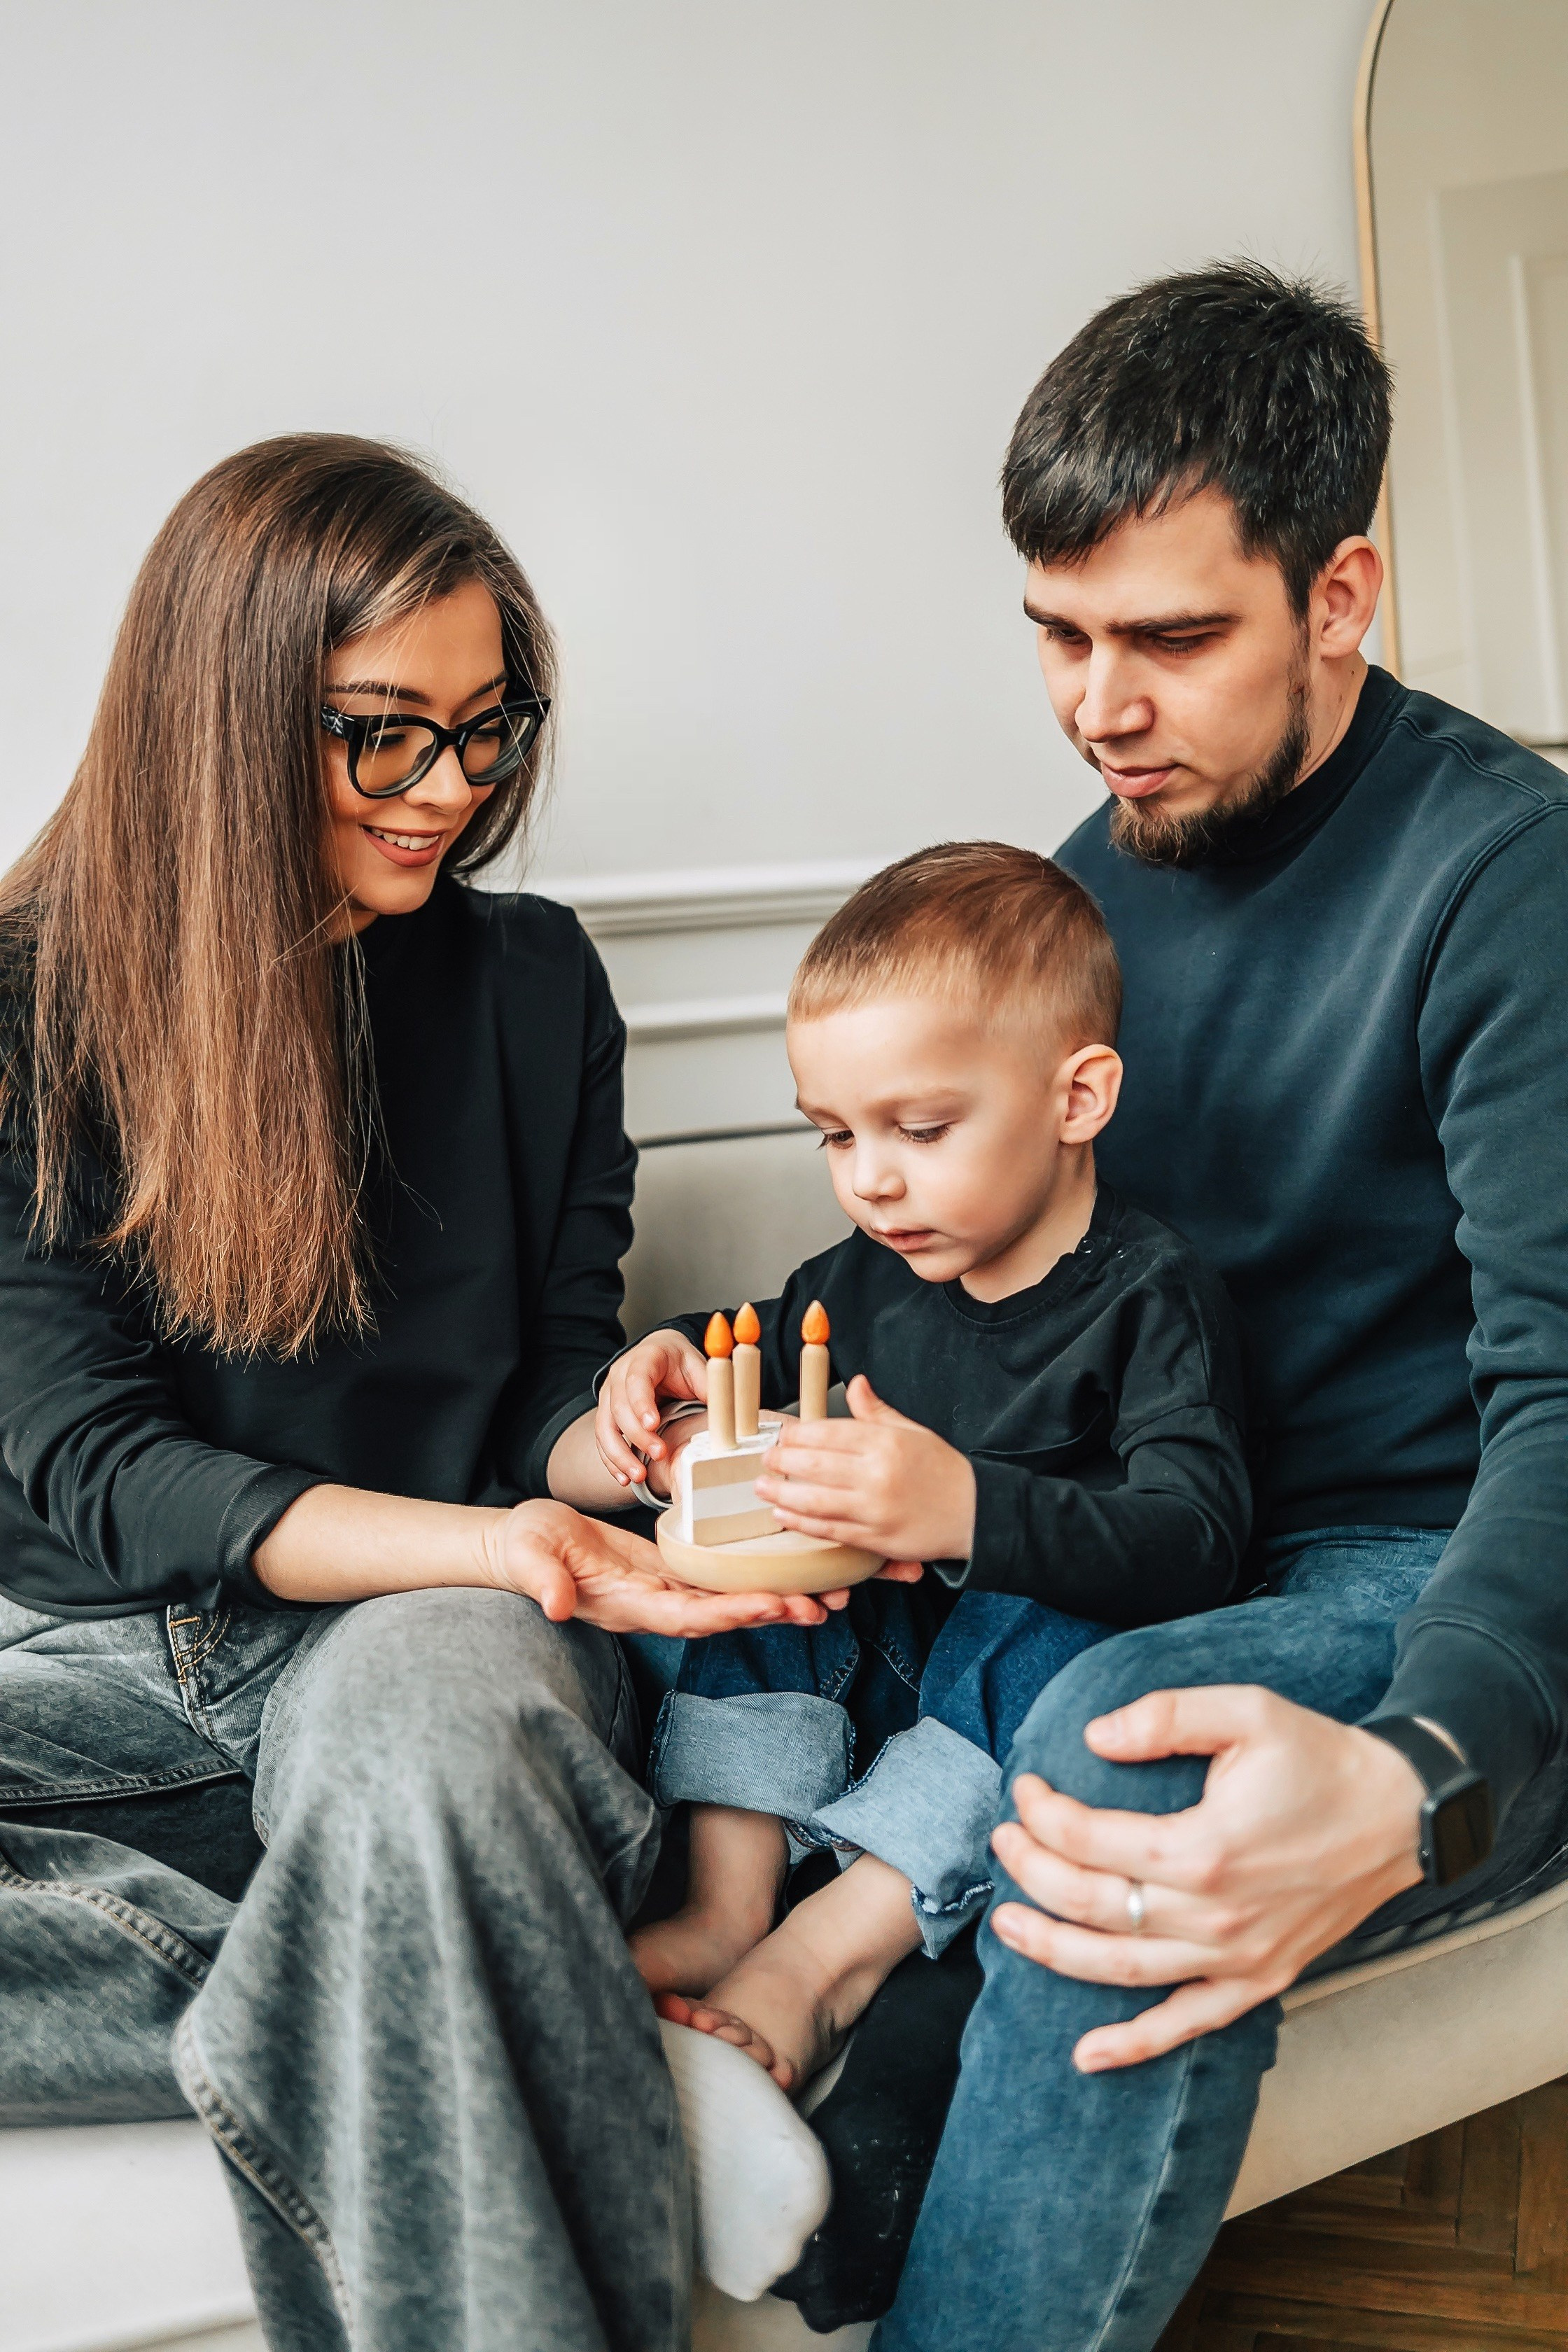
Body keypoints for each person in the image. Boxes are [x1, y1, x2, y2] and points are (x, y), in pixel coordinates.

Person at [0, 433, 835, 2352]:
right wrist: (509, 1529)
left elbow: (543, 1370)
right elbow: (104, 1472)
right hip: (109, 1658)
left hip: (438, 1636)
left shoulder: (540, 987)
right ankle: (498, 1978)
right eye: (385, 732)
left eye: (487, 729)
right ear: (223, 720)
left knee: (435, 1770)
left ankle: (450, 1928)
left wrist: (607, 1429)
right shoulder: (26, 1003)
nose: (451, 790)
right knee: (439, 1902)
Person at [871, 263, 1568, 2351]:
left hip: (1441, 1574)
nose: (1101, 704)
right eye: (1063, 637)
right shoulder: (1078, 890)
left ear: (1340, 594)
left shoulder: (1507, 875)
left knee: (1119, 1750)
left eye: (1173, 638)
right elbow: (1030, 1293)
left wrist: (1429, 1756)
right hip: (1187, 1532)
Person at [592, 843, 1250, 2095]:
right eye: (836, 1135)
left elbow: (1198, 1540)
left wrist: (965, 1510)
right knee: (760, 1538)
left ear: (1079, 1098)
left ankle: (830, 1955)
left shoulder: (1151, 1298)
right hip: (860, 1673)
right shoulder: (863, 1273)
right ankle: (729, 1904)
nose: (871, 1179)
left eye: (922, 1128)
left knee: (1046, 1625)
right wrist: (659, 1380)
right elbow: (747, 1359)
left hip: (989, 1717)